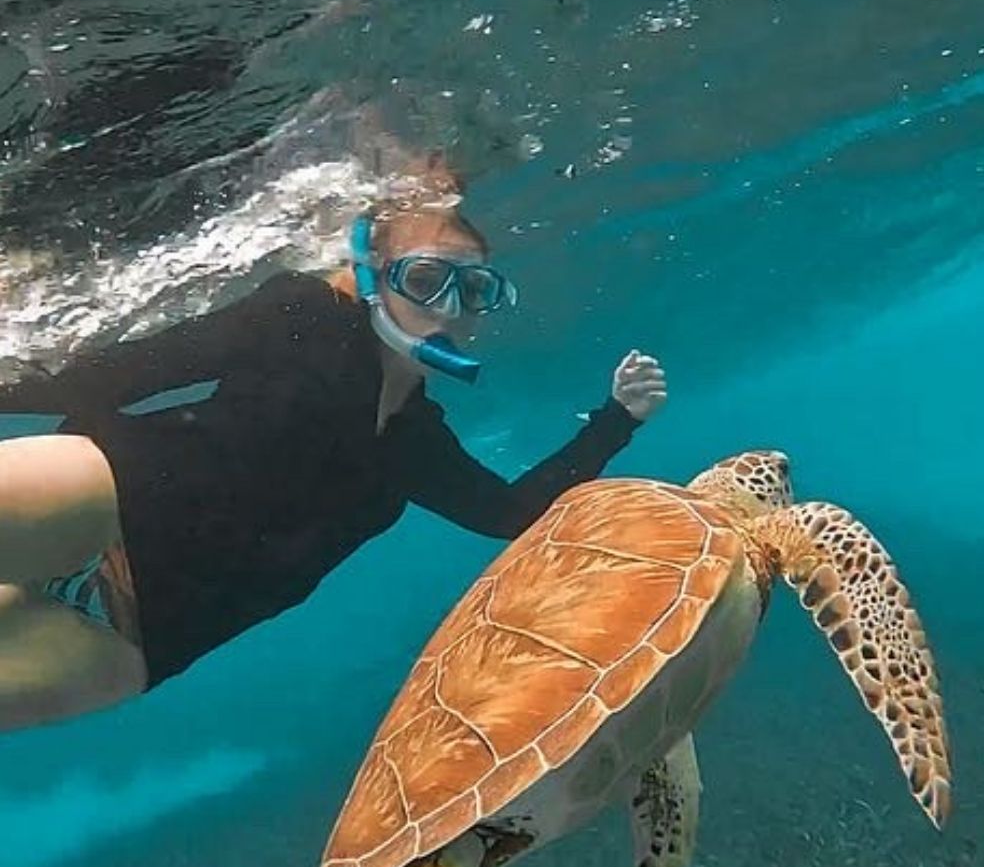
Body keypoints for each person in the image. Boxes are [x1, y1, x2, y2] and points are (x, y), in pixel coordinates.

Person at [0, 193, 666, 733]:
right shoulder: (303, 315)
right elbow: (121, 374)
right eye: (428, 278)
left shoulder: (416, 442)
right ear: (374, 274)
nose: (445, 308)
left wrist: (616, 421)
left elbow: (507, 514)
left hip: (153, 630)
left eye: (473, 291)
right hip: (102, 499)